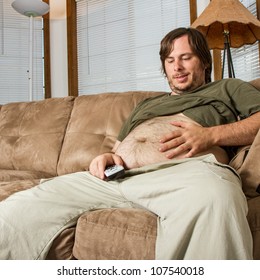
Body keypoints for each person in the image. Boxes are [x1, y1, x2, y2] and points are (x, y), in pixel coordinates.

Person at [1, 27, 260, 260]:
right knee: (22, 205)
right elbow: (118, 148)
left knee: (217, 199)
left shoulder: (227, 88)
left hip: (185, 175)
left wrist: (210, 135)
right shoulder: (147, 105)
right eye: (169, 60)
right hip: (119, 177)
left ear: (204, 62)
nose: (177, 67)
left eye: (185, 58)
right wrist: (107, 157)